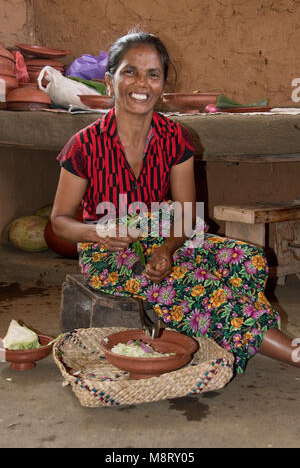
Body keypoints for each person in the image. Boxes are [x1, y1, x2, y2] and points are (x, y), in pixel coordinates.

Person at [51, 31, 300, 375]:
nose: (142, 82)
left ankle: (232, 333)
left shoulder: (174, 138)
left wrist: (167, 248)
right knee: (196, 286)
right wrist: (98, 232)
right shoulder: (85, 145)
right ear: (109, 82)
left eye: (153, 74)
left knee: (249, 260)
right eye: (130, 72)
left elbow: (184, 214)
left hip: (164, 233)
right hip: (110, 251)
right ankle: (290, 352)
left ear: (163, 86)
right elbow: (59, 221)